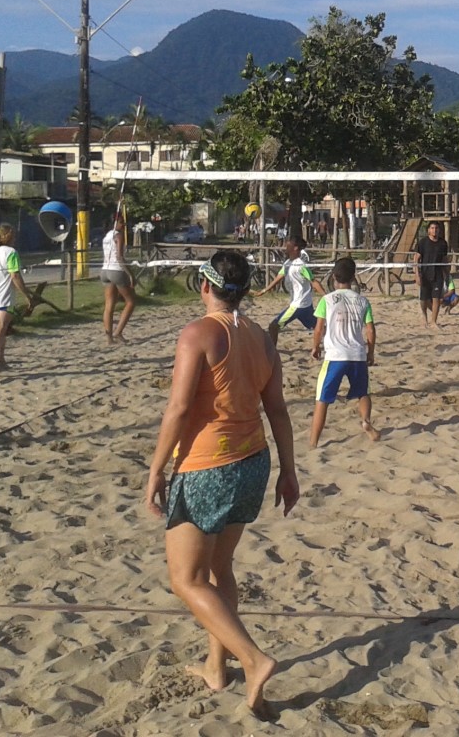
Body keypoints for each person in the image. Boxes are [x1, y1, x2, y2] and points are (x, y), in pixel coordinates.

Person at [145, 251, 300, 718]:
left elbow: (177, 408)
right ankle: (217, 668)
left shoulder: (199, 333)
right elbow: (278, 410)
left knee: (186, 579)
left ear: (205, 286)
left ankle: (252, 659)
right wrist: (289, 470)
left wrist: (155, 470)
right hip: (253, 462)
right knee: (219, 568)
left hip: (207, 466)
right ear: (246, 290)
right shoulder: (261, 338)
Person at [309, 256, 380, 446]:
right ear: (353, 277)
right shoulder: (362, 301)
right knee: (363, 393)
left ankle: (313, 442)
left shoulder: (327, 300)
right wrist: (370, 352)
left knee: (322, 399)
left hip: (335, 356)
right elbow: (370, 330)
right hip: (357, 354)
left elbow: (319, 329)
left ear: (334, 276)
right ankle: (366, 421)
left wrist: (316, 346)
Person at [253, 236, 323, 340]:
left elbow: (313, 282)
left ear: (295, 248)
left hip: (298, 305)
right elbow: (279, 277)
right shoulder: (287, 263)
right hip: (305, 305)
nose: (285, 246)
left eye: (288, 245)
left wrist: (326, 296)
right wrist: (264, 290)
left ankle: (272, 350)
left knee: (273, 326)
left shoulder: (301, 265)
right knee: (318, 327)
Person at [0, 223, 34, 371]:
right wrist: (26, 294)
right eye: (12, 235)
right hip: (4, 296)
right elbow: (15, 275)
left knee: (1, 329)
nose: (15, 238)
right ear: (7, 236)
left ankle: (1, 359)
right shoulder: (11, 253)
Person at [101, 210, 137, 345]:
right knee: (131, 302)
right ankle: (118, 332)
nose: (124, 225)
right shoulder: (118, 235)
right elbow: (119, 257)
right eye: (122, 222)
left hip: (105, 270)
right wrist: (130, 274)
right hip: (116, 270)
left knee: (109, 305)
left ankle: (109, 337)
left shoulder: (106, 236)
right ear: (115, 223)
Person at [412, 221, 451, 328]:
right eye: (432, 228)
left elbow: (444, 259)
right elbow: (416, 259)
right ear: (428, 230)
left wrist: (447, 273)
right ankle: (424, 317)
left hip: (438, 275)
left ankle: (433, 321)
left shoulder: (443, 243)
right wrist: (416, 274)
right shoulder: (423, 242)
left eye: (436, 228)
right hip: (425, 274)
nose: (434, 230)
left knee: (436, 298)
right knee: (423, 299)